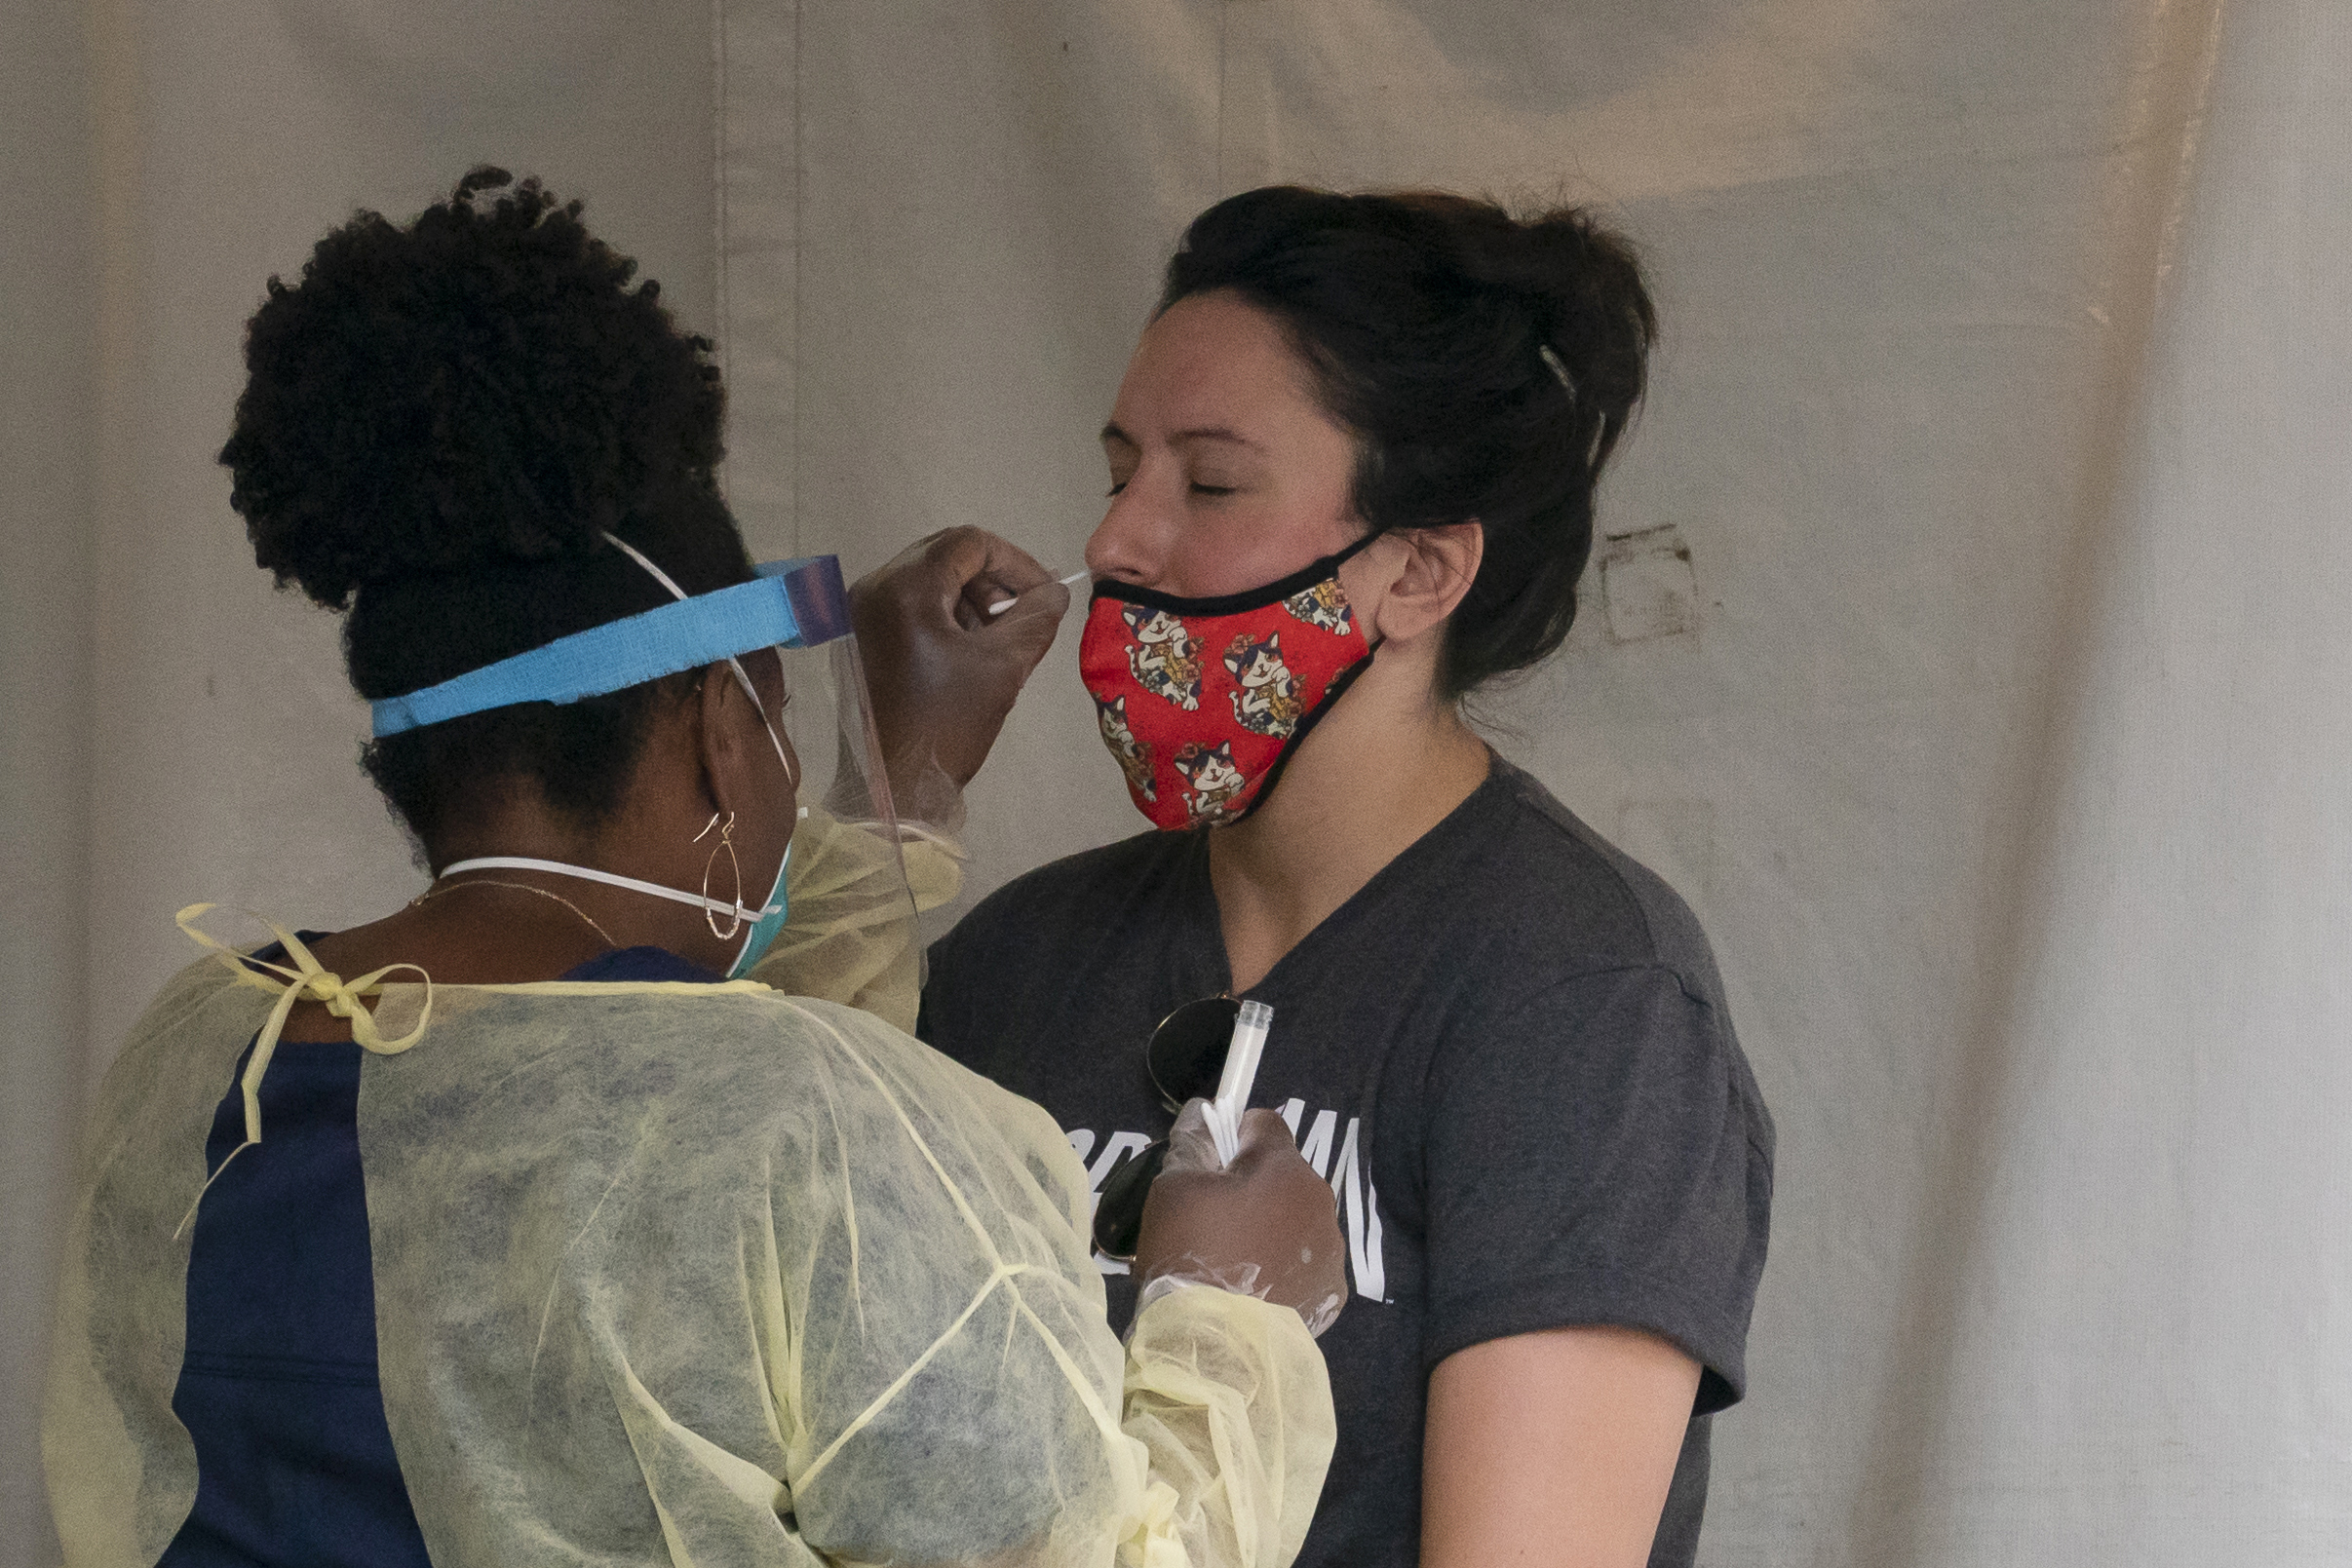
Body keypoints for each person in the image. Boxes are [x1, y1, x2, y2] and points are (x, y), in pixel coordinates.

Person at [41, 170, 1347, 1568]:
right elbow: (766, 1161)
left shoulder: (193, 1063)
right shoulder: (806, 1132)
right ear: (724, 732)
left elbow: (691, 1152)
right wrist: (1228, 1311)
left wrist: (902, 792)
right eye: (781, 720)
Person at [917, 187, 1774, 1567]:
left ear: (1419, 570)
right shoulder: (1014, 964)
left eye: (1206, 483)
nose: (1116, 543)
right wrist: (885, 801)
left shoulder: (1580, 1000)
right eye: (1117, 469)